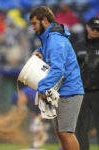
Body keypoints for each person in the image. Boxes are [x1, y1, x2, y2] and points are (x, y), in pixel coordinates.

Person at [29, 6, 84, 150]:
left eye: (34, 23)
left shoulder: (54, 39)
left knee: (66, 133)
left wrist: (42, 87)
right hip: (60, 91)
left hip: (69, 91)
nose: (33, 28)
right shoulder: (49, 38)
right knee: (60, 132)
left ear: (45, 20)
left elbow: (58, 70)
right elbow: (49, 53)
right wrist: (38, 51)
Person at [74, 17, 99, 150]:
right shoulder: (78, 46)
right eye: (93, 28)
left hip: (97, 92)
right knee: (81, 127)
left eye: (98, 30)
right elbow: (70, 68)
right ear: (88, 27)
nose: (96, 31)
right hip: (81, 92)